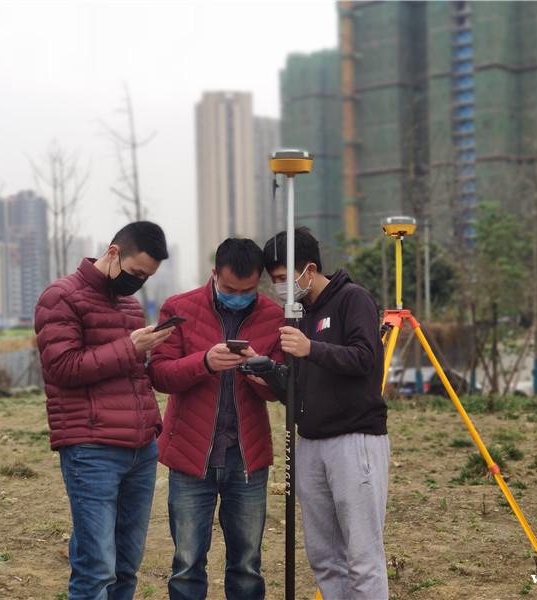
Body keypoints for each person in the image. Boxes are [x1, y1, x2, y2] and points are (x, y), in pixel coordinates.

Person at [34, 221, 174, 600]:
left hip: (141, 448)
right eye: (135, 273)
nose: (137, 283)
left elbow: (131, 374)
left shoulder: (128, 305)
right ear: (113, 253)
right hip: (91, 448)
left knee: (126, 565)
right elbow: (62, 367)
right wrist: (131, 347)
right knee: (96, 569)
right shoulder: (60, 297)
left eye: (146, 277)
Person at [148, 238, 284, 600]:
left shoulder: (273, 316)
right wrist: (204, 362)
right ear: (214, 275)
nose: (238, 295)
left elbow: (281, 389)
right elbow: (159, 374)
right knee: (187, 564)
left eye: (248, 290)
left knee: (247, 564)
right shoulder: (179, 309)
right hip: (191, 458)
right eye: (229, 289)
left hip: (248, 458)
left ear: (259, 283)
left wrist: (264, 373)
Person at [263, 227, 390, 600]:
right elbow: (301, 386)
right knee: (324, 556)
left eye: (286, 278)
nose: (281, 287)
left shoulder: (354, 300)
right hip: (312, 443)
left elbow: (366, 359)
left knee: (362, 555)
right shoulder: (298, 315)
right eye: (274, 281)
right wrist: (269, 375)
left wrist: (311, 348)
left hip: (355, 440)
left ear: (311, 268)